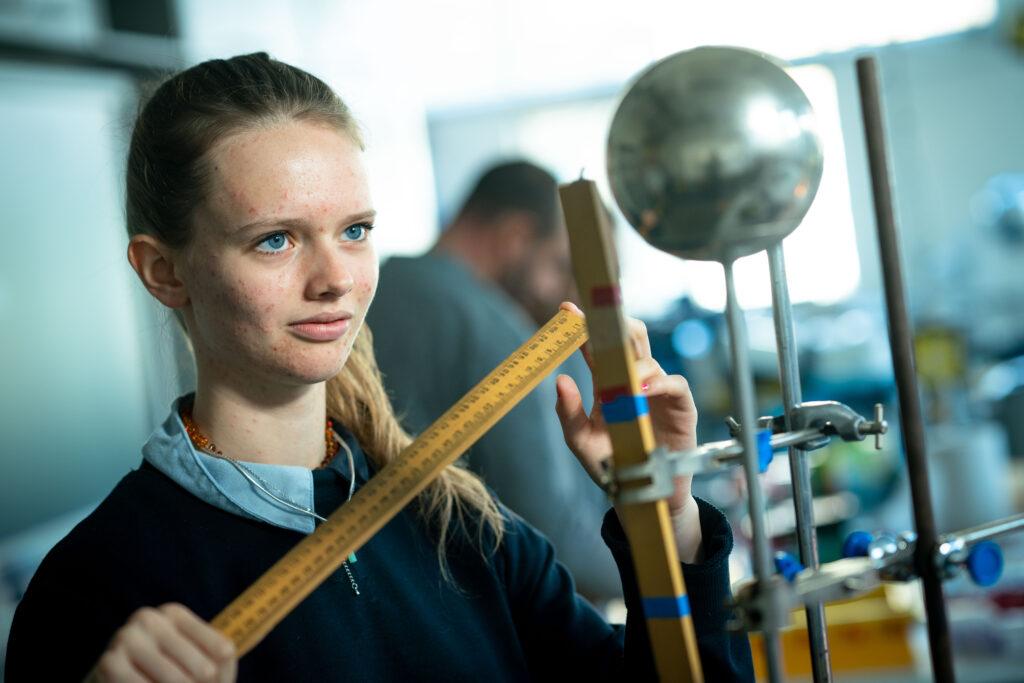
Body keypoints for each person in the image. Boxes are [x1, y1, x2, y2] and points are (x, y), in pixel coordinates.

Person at [5, 53, 753, 681]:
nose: (336, 277)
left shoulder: (464, 524)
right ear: (164, 270)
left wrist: (666, 519)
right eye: (276, 240)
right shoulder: (97, 592)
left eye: (354, 230)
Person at [367, 161, 623, 600]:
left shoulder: (380, 288)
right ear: (516, 236)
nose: (566, 293)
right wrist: (678, 572)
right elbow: (557, 535)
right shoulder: (497, 332)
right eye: (560, 265)